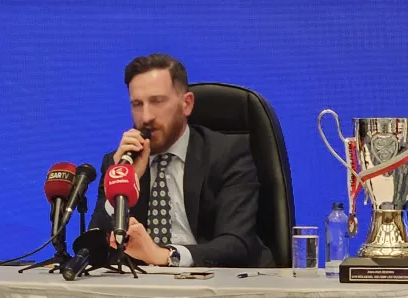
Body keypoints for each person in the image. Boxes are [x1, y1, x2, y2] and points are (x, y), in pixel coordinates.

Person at [87, 53, 274, 268]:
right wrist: (123, 183)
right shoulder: (120, 162)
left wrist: (165, 256)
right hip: (145, 283)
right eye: (137, 104)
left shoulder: (227, 153)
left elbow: (236, 243)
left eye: (157, 101)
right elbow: (94, 250)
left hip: (215, 279)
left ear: (186, 104)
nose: (146, 117)